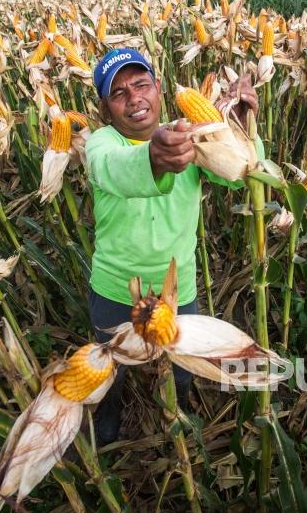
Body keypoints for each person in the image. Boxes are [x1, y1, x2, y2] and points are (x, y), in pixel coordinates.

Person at [85, 48, 264, 445]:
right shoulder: (101, 143)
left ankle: (177, 411)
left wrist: (240, 126)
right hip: (115, 289)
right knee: (110, 368)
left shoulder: (191, 135)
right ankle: (107, 419)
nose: (134, 98)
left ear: (159, 89)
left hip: (177, 290)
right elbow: (112, 169)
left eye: (141, 84)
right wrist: (154, 157)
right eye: (119, 93)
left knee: (182, 368)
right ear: (106, 108)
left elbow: (241, 176)